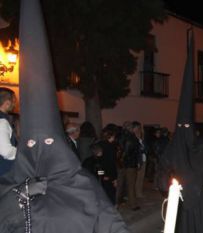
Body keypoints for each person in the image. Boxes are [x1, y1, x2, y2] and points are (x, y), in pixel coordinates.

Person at [0, 0, 127, 231]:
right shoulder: (9, 185)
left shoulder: (83, 186)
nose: (39, 149)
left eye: (48, 142)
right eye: (31, 143)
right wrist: (20, 195)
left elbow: (112, 225)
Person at [157, 31, 203, 233]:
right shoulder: (172, 149)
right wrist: (169, 185)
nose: (184, 131)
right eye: (181, 128)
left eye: (188, 127)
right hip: (182, 203)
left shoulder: (202, 148)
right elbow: (162, 172)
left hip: (202, 202)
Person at [123, 121, 144, 211]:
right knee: (131, 184)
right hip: (130, 164)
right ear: (130, 128)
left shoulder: (124, 136)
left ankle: (128, 200)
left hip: (128, 163)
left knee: (129, 183)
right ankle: (133, 205)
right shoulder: (130, 137)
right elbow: (128, 152)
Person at [0, 87, 17, 176]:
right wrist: (23, 152)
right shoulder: (2, 122)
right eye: (14, 101)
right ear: (7, 103)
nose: (15, 104)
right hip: (3, 173)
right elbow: (6, 152)